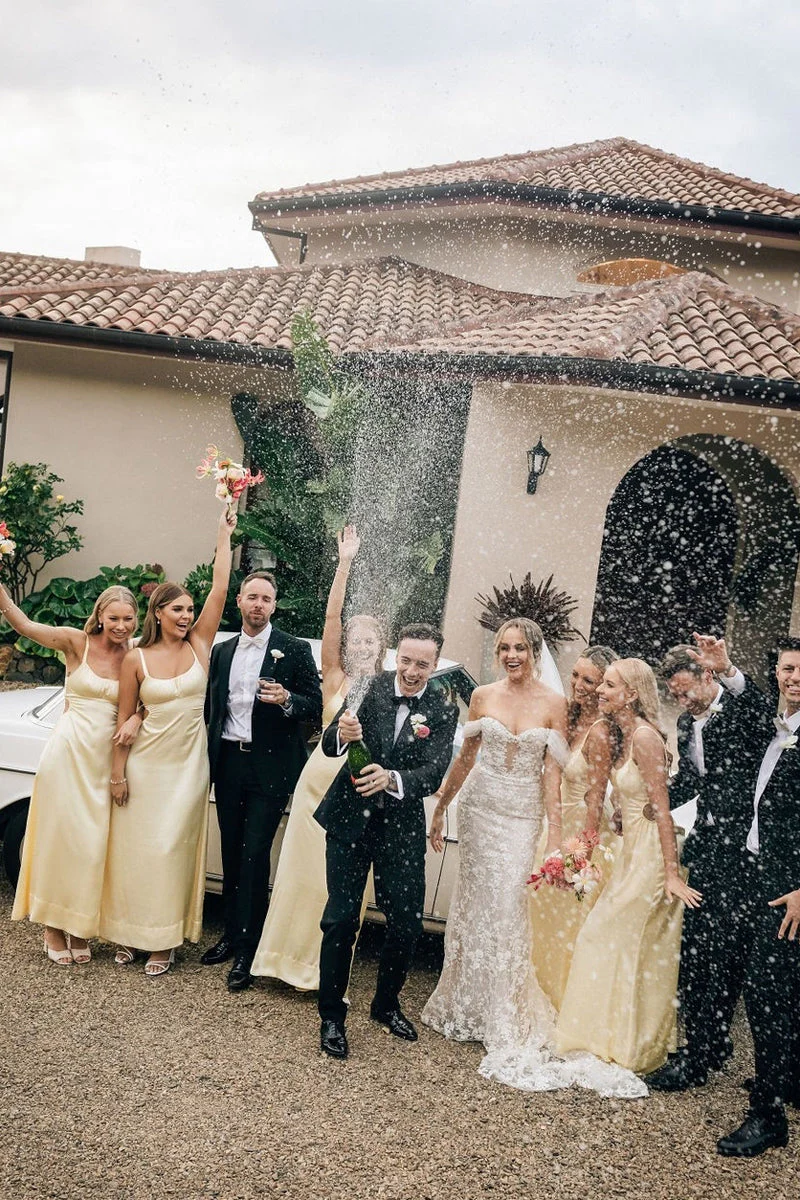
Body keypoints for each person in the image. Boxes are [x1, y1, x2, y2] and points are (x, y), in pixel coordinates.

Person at [423, 621, 645, 1098]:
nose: (511, 655)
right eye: (504, 647)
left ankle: (504, 1014)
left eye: (520, 648)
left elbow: (552, 774)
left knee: (509, 911)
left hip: (522, 818)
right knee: (474, 908)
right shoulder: (482, 696)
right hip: (480, 810)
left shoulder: (554, 703)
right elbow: (466, 757)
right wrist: (442, 807)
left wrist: (555, 838)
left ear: (535, 652)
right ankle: (467, 1003)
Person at [100, 509, 236, 975]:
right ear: (158, 613)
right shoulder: (135, 658)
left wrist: (224, 532)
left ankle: (164, 940)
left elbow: (220, 589)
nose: (186, 616)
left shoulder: (199, 645)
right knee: (136, 850)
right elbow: (123, 721)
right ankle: (128, 933)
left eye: (189, 610)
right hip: (144, 766)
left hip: (187, 767)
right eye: (177, 609)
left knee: (170, 850)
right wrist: (117, 775)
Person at [251, 526, 386, 989]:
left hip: (357, 793)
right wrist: (344, 563)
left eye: (371, 641)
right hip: (316, 787)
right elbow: (331, 618)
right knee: (301, 877)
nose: (362, 646)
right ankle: (281, 962)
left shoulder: (388, 688)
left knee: (341, 888)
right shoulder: (334, 677)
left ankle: (323, 974)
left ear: (381, 647)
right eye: (357, 640)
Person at [315, 623, 458, 1060]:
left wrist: (392, 778)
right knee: (340, 920)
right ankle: (331, 1016)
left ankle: (386, 1004)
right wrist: (342, 735)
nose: (412, 671)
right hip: (349, 819)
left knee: (407, 924)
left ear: (435, 664)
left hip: (401, 828)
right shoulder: (368, 686)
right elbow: (329, 743)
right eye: (407, 661)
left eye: (423, 665)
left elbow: (433, 773)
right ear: (397, 656)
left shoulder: (442, 707)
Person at [556, 658, 701, 1075]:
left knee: (615, 941)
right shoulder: (623, 734)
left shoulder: (645, 737)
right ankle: (607, 1038)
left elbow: (662, 809)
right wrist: (622, 813)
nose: (600, 691)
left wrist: (670, 873)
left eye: (609, 685)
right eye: (601, 684)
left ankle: (631, 1045)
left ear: (631, 694)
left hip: (651, 858)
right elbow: (636, 800)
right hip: (631, 849)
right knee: (612, 944)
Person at [645, 635, 774, 1092]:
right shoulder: (685, 723)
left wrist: (731, 671)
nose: (681, 702)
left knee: (721, 957)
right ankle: (710, 1043)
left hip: (743, 855)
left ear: (706, 675)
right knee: (698, 952)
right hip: (708, 849)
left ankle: (699, 1056)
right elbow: (695, 778)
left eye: (685, 692)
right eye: (675, 695)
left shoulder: (739, 710)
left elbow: (761, 709)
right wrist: (655, 801)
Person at [202, 568, 322, 991]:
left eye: (266, 599)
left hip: (270, 767)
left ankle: (249, 950)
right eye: (252, 597)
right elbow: (212, 709)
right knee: (231, 851)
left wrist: (287, 699)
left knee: (254, 855)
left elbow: (315, 706)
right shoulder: (222, 651)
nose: (258, 605)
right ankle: (231, 935)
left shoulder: (294, 649)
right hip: (228, 764)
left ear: (274, 605)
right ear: (239, 601)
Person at [8, 584, 141, 963]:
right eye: (113, 618)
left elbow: (157, 696)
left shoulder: (137, 655)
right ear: (99, 616)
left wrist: (136, 716)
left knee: (92, 845)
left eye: (128, 618)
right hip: (66, 755)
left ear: (137, 619)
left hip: (104, 761)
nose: (120, 626)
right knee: (60, 840)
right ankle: (52, 926)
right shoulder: (75, 642)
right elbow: (25, 625)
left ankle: (79, 926)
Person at [717, 638, 800, 1158]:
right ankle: (784, 1081)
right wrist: (726, 668)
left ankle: (768, 1117)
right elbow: (747, 703)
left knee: (769, 998)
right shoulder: (778, 728)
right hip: (760, 875)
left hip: (789, 891)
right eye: (788, 669)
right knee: (774, 992)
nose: (795, 678)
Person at [530, 645, 621, 1009]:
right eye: (576, 676)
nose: (579, 685)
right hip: (554, 823)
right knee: (541, 915)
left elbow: (596, 799)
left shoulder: (602, 731)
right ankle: (535, 993)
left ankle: (561, 1003)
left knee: (568, 922)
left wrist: (582, 855)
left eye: (589, 680)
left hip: (582, 832)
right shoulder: (567, 714)